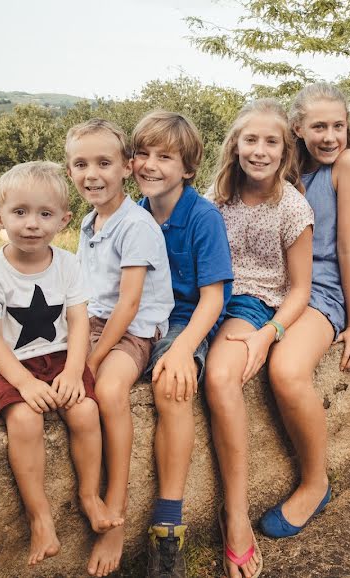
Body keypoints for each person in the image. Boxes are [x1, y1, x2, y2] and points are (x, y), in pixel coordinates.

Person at [0, 161, 122, 567]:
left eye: (44, 214)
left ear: (63, 220)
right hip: (6, 363)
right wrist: (24, 384)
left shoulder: (69, 264)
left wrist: (75, 371)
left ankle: (89, 495)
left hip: (58, 357)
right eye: (19, 213)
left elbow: (77, 321)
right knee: (24, 419)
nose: (32, 224)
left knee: (86, 409)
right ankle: (40, 516)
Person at [253, 84, 350, 543]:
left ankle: (315, 481)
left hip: (320, 288)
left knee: (286, 369)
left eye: (338, 126)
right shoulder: (283, 163)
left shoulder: (348, 164)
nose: (330, 136)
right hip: (269, 285)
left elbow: (348, 249)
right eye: (318, 126)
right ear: (297, 128)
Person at [204, 99, 314, 578]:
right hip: (205, 295)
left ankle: (235, 516)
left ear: (285, 150)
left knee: (221, 377)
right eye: (251, 140)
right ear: (235, 145)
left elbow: (300, 289)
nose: (260, 150)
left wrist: (269, 335)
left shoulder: (292, 206)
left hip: (253, 303)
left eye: (271, 142)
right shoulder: (217, 195)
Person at [65, 119, 174, 577]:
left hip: (135, 330)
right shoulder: (90, 222)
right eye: (80, 164)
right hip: (93, 323)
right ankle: (89, 494)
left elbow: (129, 305)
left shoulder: (137, 225)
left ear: (127, 168)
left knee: (107, 390)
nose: (92, 174)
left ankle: (116, 507)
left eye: (104, 163)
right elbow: (83, 294)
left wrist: (88, 360)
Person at [132, 111, 234, 577]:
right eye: (142, 154)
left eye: (164, 157)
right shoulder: (131, 214)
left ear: (188, 168)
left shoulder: (201, 216)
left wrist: (182, 348)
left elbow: (213, 297)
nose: (149, 165)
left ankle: (167, 526)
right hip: (138, 316)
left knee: (171, 386)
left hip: (184, 317)